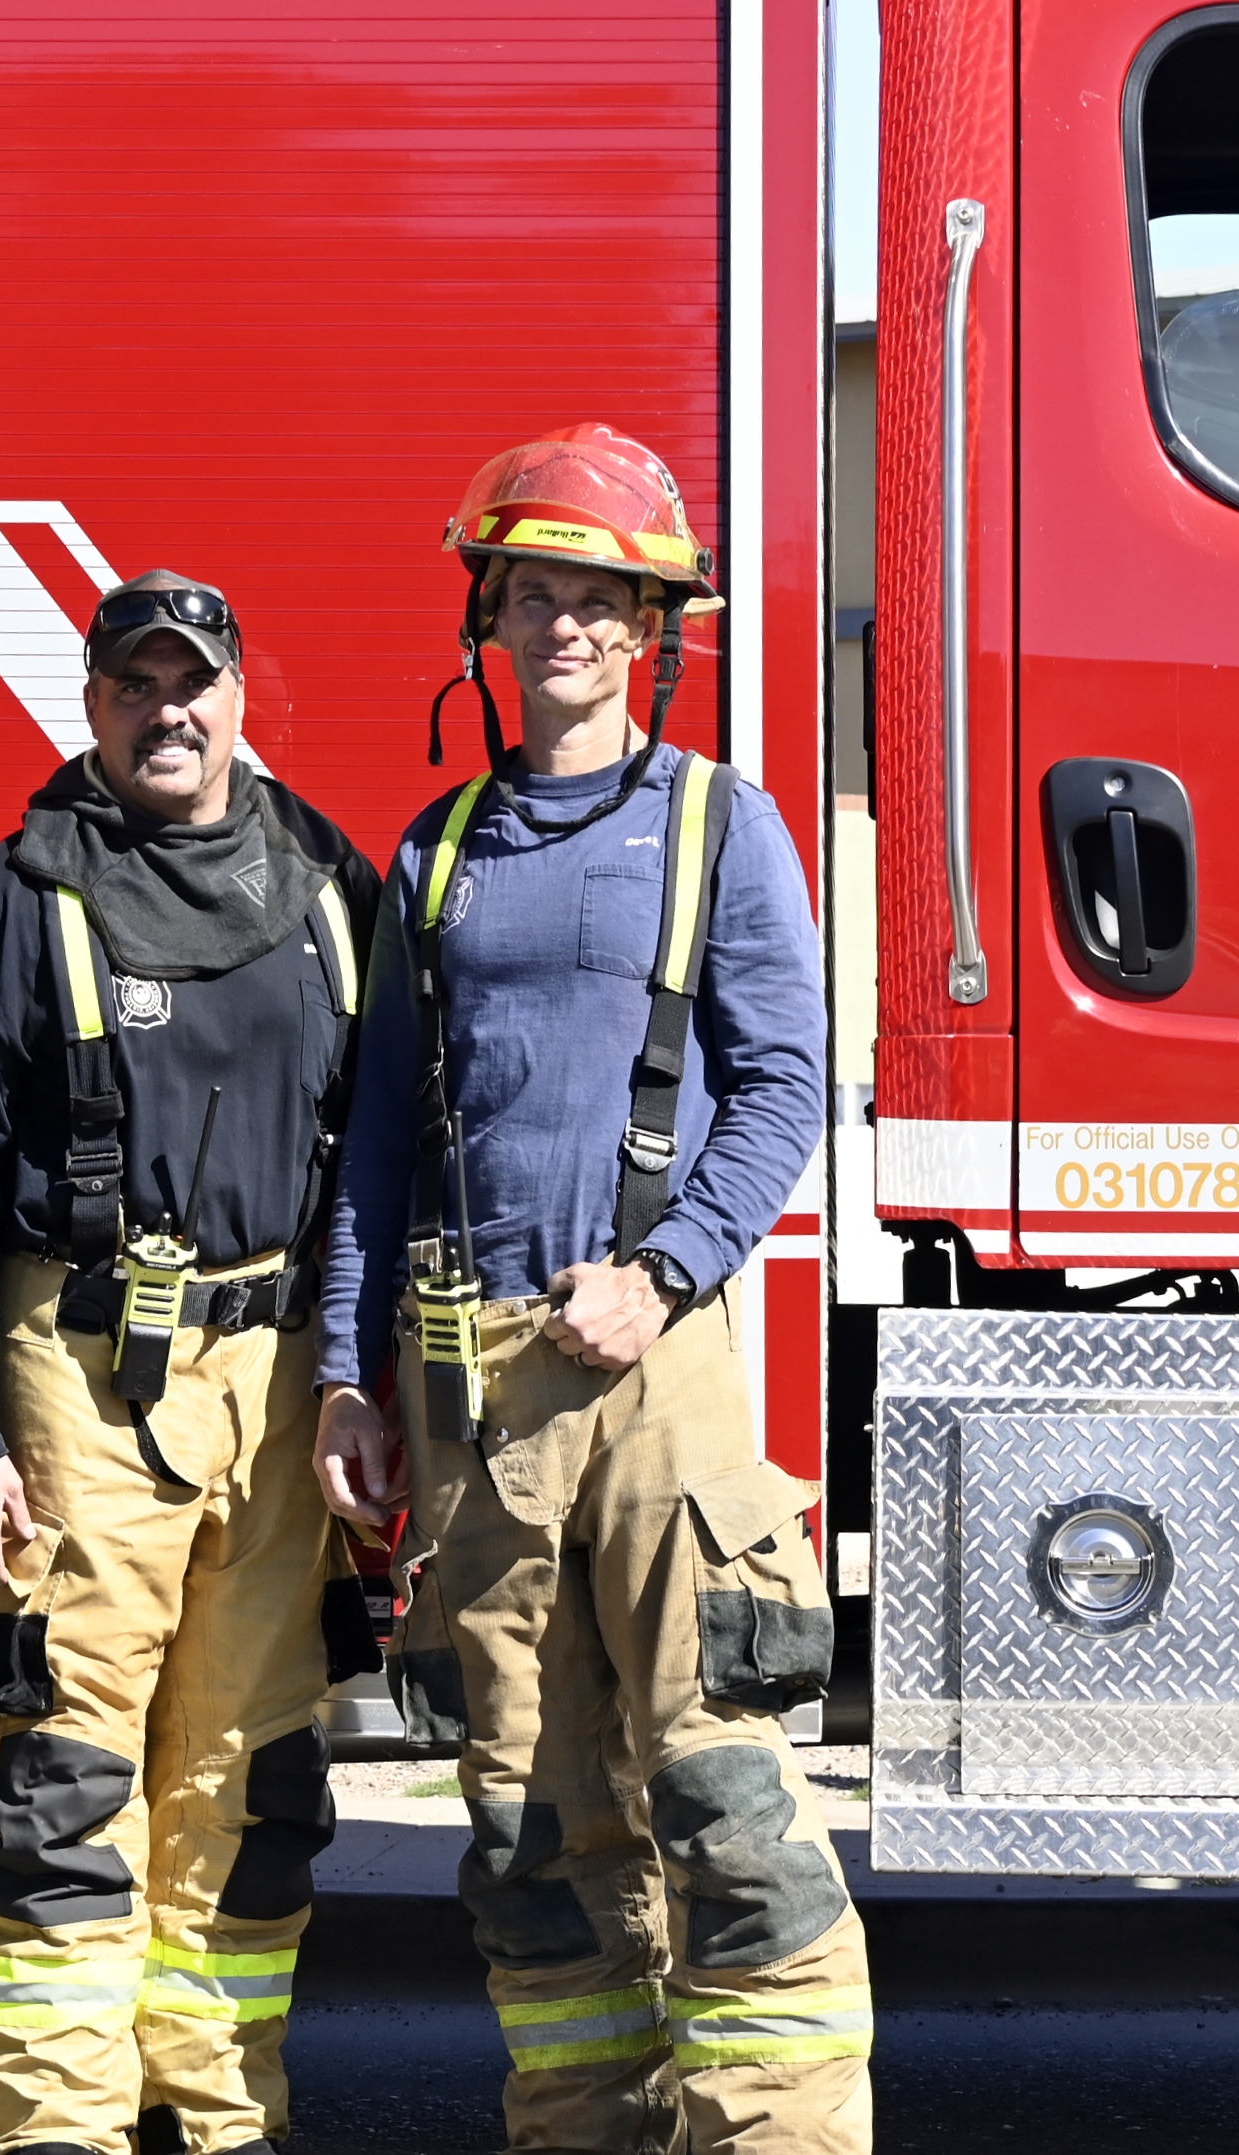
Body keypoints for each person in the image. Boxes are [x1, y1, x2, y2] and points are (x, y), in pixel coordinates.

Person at [310, 427, 865, 2154]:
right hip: (470, 1386)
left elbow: (782, 1091)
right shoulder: (437, 848)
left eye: (600, 602)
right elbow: (380, 1141)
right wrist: (347, 1375)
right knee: (533, 1833)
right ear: (488, 617)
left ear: (651, 632)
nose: (564, 627)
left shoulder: (721, 823)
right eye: (534, 595)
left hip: (653, 1368)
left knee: (724, 1795)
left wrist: (668, 1271)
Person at [0, 572, 384, 2155]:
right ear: (92, 704)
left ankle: (217, 2117)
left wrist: (366, 1376)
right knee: (69, 1766)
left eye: (193, 684)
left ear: (239, 698)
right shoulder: (11, 903)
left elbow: (388, 1150)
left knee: (254, 1766)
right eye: (135, 685)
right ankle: (56, 2126)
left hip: (280, 1370)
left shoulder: (330, 882)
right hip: (81, 1364)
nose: (166, 712)